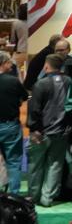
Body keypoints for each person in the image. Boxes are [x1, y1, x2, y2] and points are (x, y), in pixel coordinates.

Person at [27, 53, 71, 207]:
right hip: (61, 132)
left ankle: (33, 197)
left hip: (41, 133)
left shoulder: (40, 84)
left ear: (46, 66)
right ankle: (48, 198)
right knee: (55, 165)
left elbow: (34, 110)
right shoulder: (68, 82)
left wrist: (34, 129)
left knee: (35, 165)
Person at [0, 51, 26, 195]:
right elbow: (24, 97)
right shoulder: (13, 81)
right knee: (14, 163)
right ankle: (13, 198)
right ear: (3, 63)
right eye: (9, 62)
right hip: (10, 126)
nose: (11, 65)